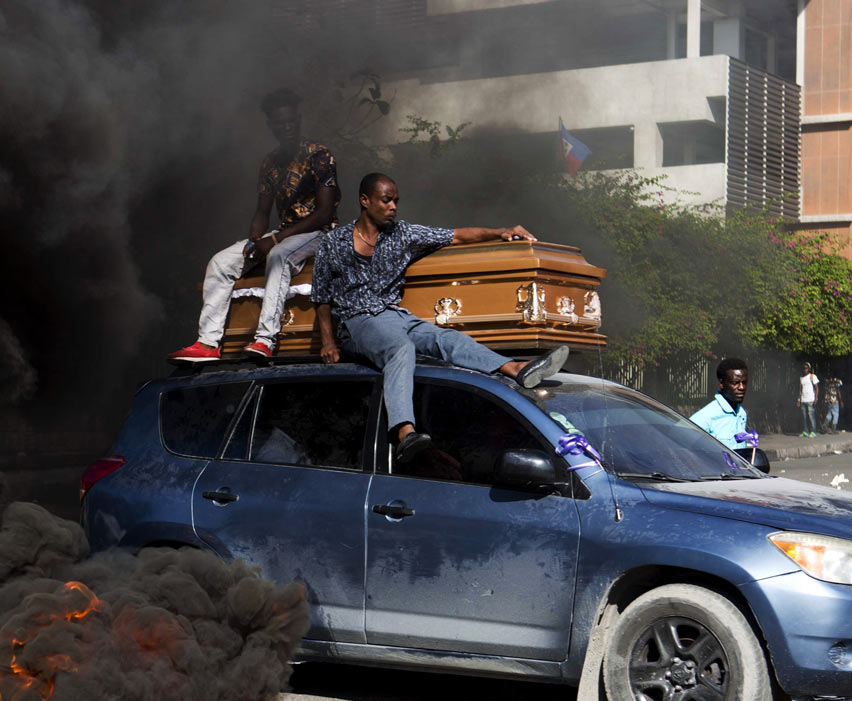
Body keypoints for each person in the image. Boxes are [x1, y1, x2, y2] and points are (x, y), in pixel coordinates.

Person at [311, 173, 569, 461]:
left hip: (396, 316)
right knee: (400, 349)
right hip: (356, 322)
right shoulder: (334, 242)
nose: (394, 206)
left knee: (447, 339)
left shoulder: (403, 234)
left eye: (396, 200)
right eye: (386, 200)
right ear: (365, 201)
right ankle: (405, 433)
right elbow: (321, 297)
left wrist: (501, 232)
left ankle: (515, 368)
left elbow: (456, 235)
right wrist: (328, 342)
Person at [169, 88, 339, 363]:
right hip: (285, 232)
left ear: (299, 120)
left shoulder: (318, 155)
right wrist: (253, 240)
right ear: (271, 126)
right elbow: (262, 211)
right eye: (280, 123)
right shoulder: (270, 163)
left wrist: (272, 241)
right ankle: (208, 343)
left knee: (279, 256)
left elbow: (324, 212)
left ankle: (265, 340)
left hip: (319, 232)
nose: (287, 128)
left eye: (291, 122)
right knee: (220, 262)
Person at [690, 358, 754, 452]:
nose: (741, 387)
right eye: (735, 383)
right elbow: (680, 444)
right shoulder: (706, 416)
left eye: (744, 383)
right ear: (721, 383)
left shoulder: (741, 413)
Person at [797, 362, 819, 437]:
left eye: (806, 368)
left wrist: (816, 398)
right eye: (804, 368)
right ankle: (805, 431)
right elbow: (800, 390)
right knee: (804, 417)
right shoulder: (801, 378)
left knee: (811, 416)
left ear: (809, 369)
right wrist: (799, 400)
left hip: (810, 400)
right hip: (803, 400)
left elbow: (816, 388)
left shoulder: (812, 376)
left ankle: (813, 432)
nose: (805, 369)